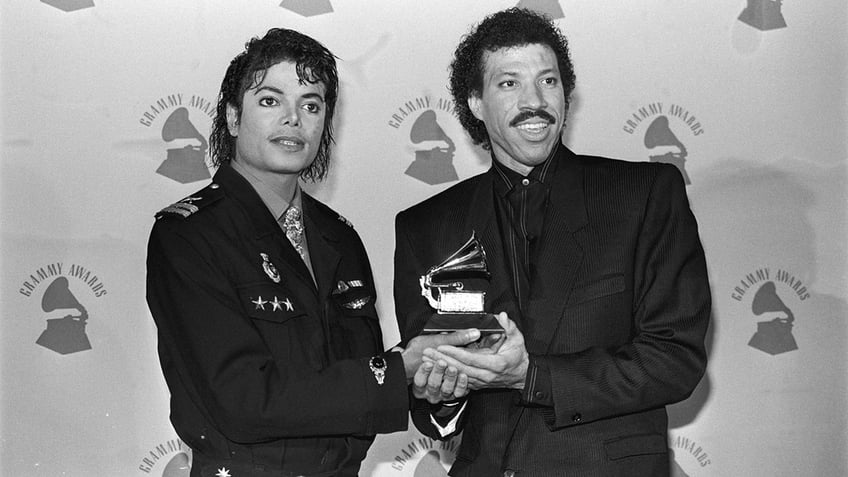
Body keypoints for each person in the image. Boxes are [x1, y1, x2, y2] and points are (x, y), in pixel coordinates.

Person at [146, 28, 478, 477]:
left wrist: (433, 371)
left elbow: (360, 377)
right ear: (231, 117)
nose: (293, 119)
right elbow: (242, 400)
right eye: (270, 101)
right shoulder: (188, 234)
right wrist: (397, 370)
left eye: (311, 104)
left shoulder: (339, 237)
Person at [394, 8, 711, 476]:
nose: (535, 101)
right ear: (475, 104)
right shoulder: (428, 225)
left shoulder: (642, 196)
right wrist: (439, 393)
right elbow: (429, 402)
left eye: (548, 81)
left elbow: (674, 359)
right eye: (509, 84)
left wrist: (533, 377)